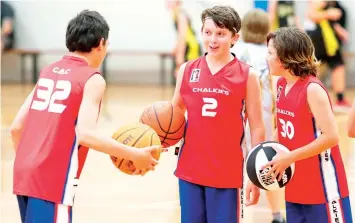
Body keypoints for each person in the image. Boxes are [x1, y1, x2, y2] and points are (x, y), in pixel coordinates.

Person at [10, 10, 160, 223]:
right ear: (101, 43)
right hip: (52, 181)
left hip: (23, 174)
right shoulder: (92, 79)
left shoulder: (48, 71)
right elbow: (86, 135)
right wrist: (135, 154)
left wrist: (30, 165)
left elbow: (17, 127)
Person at [172, 5, 265, 223]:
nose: (213, 39)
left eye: (221, 34)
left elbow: (257, 126)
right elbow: (174, 113)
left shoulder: (247, 75)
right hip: (189, 170)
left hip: (227, 173)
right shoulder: (187, 69)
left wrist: (256, 174)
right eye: (208, 32)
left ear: (235, 37)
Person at [263, 27, 352, 223]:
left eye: (270, 52)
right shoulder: (280, 85)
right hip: (295, 185)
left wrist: (290, 156)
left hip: (324, 189)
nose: (266, 58)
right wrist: (264, 155)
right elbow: (283, 128)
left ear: (286, 57)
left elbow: (331, 137)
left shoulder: (312, 89)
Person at [232, 9, 285, 223]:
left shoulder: (234, 52)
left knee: (235, 166)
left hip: (237, 118)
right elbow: (276, 91)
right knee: (266, 168)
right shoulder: (270, 55)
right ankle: (277, 215)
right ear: (266, 30)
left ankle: (235, 211)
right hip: (262, 120)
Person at [305, 0, 351, 112]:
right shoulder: (319, 3)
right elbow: (311, 15)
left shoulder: (338, 6)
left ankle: (340, 99)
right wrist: (328, 14)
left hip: (331, 42)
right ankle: (308, 99)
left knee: (338, 66)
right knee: (314, 69)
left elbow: (335, 22)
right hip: (318, 40)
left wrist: (340, 30)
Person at [166, 0, 202, 82]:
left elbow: (182, 37)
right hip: (189, 46)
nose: (168, 2)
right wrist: (175, 48)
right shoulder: (175, 14)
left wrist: (179, 60)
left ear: (178, 2)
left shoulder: (180, 15)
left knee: (190, 78)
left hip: (191, 48)